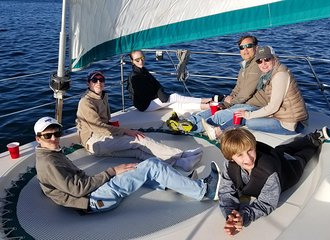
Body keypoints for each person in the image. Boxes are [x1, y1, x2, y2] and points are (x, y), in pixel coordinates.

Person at [34, 116, 221, 213]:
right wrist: (112, 171)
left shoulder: (48, 156)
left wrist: (51, 189)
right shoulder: (48, 162)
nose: (54, 139)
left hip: (93, 194)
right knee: (152, 166)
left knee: (141, 167)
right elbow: (77, 189)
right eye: (47, 136)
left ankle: (180, 182)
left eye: (56, 134)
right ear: (38, 139)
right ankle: (205, 191)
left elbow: (51, 184)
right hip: (95, 200)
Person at [76, 71, 203, 172]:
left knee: (138, 152)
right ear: (89, 84)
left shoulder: (103, 96)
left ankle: (181, 163)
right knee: (138, 139)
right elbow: (98, 128)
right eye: (94, 80)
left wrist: (119, 131)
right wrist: (126, 131)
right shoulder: (86, 102)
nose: (98, 83)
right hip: (94, 142)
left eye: (101, 80)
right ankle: (181, 154)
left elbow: (106, 122)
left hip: (103, 140)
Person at [218, 127, 330, 236]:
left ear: (254, 146)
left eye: (250, 150)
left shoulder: (269, 173)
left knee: (301, 156)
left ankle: (314, 139)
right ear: (231, 159)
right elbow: (225, 192)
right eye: (240, 155)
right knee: (282, 149)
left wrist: (245, 216)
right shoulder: (229, 166)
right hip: (277, 156)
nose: (248, 158)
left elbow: (266, 203)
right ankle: (307, 139)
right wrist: (231, 216)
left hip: (289, 170)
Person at [201, 46, 309, 140]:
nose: (263, 64)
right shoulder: (269, 74)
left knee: (247, 120)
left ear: (274, 58)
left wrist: (248, 114)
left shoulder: (280, 76)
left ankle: (218, 132)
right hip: (280, 116)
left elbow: (273, 107)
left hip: (292, 124)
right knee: (241, 114)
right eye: (259, 61)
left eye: (267, 59)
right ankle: (217, 130)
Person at [167, 35, 262, 134]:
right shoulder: (245, 66)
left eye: (249, 46)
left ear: (256, 47)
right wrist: (225, 104)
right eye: (242, 47)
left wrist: (231, 102)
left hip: (253, 106)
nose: (245, 49)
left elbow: (246, 93)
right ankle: (188, 121)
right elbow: (237, 89)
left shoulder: (257, 66)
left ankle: (189, 128)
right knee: (214, 109)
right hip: (241, 102)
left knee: (219, 116)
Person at [127, 50, 211, 112]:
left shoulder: (143, 70)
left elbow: (155, 84)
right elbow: (143, 94)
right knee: (175, 97)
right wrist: (160, 95)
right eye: (137, 60)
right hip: (145, 105)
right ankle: (205, 100)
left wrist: (160, 93)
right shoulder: (136, 76)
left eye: (142, 58)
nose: (141, 61)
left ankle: (207, 106)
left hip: (151, 100)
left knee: (177, 105)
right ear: (132, 61)